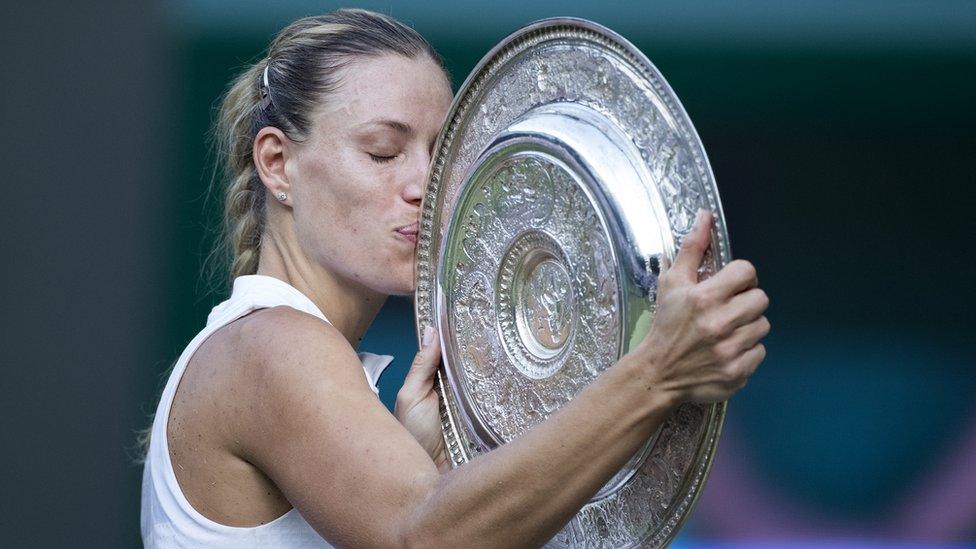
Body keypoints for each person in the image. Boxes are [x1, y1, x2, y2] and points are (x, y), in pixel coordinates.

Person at [140, 9, 770, 548]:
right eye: (383, 153)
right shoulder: (272, 344)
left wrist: (443, 471)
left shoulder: (298, 358)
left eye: (440, 159)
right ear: (278, 163)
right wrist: (655, 373)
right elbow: (426, 536)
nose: (423, 188)